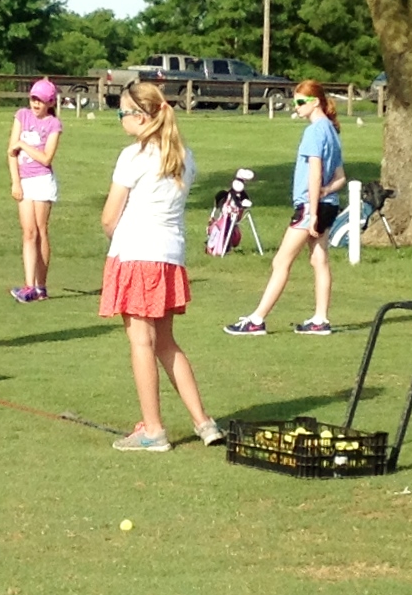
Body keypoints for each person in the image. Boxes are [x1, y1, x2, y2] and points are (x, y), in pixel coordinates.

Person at [100, 80, 224, 451]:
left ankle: (153, 430)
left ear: (141, 116)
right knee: (166, 342)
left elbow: (109, 217)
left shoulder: (133, 157)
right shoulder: (185, 156)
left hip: (137, 254)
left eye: (123, 112)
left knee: (141, 341)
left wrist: (117, 241)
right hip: (170, 258)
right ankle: (204, 423)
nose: (121, 119)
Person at [225, 80, 345, 337]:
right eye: (295, 101)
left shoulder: (314, 132)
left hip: (310, 208)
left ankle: (257, 319)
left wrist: (312, 210)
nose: (297, 106)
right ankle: (321, 319)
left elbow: (315, 173)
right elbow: (340, 177)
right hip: (328, 205)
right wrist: (326, 192)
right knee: (319, 259)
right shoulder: (332, 131)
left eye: (301, 101)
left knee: (281, 261)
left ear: (315, 102)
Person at [7, 78, 63, 302]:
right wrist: (15, 182)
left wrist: (24, 145)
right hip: (25, 180)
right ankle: (29, 285)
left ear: (50, 102)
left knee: (40, 230)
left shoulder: (53, 124)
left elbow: (46, 157)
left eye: (40, 101)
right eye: (33, 99)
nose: (36, 104)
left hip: (42, 180)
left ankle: (41, 285)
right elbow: (11, 150)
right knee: (28, 233)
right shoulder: (22, 116)